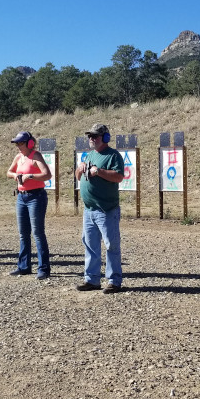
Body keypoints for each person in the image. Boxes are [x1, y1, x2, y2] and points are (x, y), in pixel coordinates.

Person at [74, 123, 125, 293]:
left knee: (111, 246)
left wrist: (99, 171)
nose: (91, 139)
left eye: (95, 136)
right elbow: (78, 176)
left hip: (106, 209)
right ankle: (91, 279)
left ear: (105, 138)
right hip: (89, 210)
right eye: (90, 136)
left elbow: (118, 177)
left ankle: (114, 280)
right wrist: (79, 170)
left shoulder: (113, 156)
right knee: (90, 245)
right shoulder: (89, 155)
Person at [6, 131, 52, 280]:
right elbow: (9, 171)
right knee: (23, 234)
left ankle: (43, 268)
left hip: (36, 197)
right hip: (21, 197)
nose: (18, 146)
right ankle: (24, 266)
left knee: (38, 233)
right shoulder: (19, 157)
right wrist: (15, 176)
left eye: (21, 143)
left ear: (30, 143)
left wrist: (30, 176)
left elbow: (47, 175)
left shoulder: (36, 156)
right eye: (17, 143)